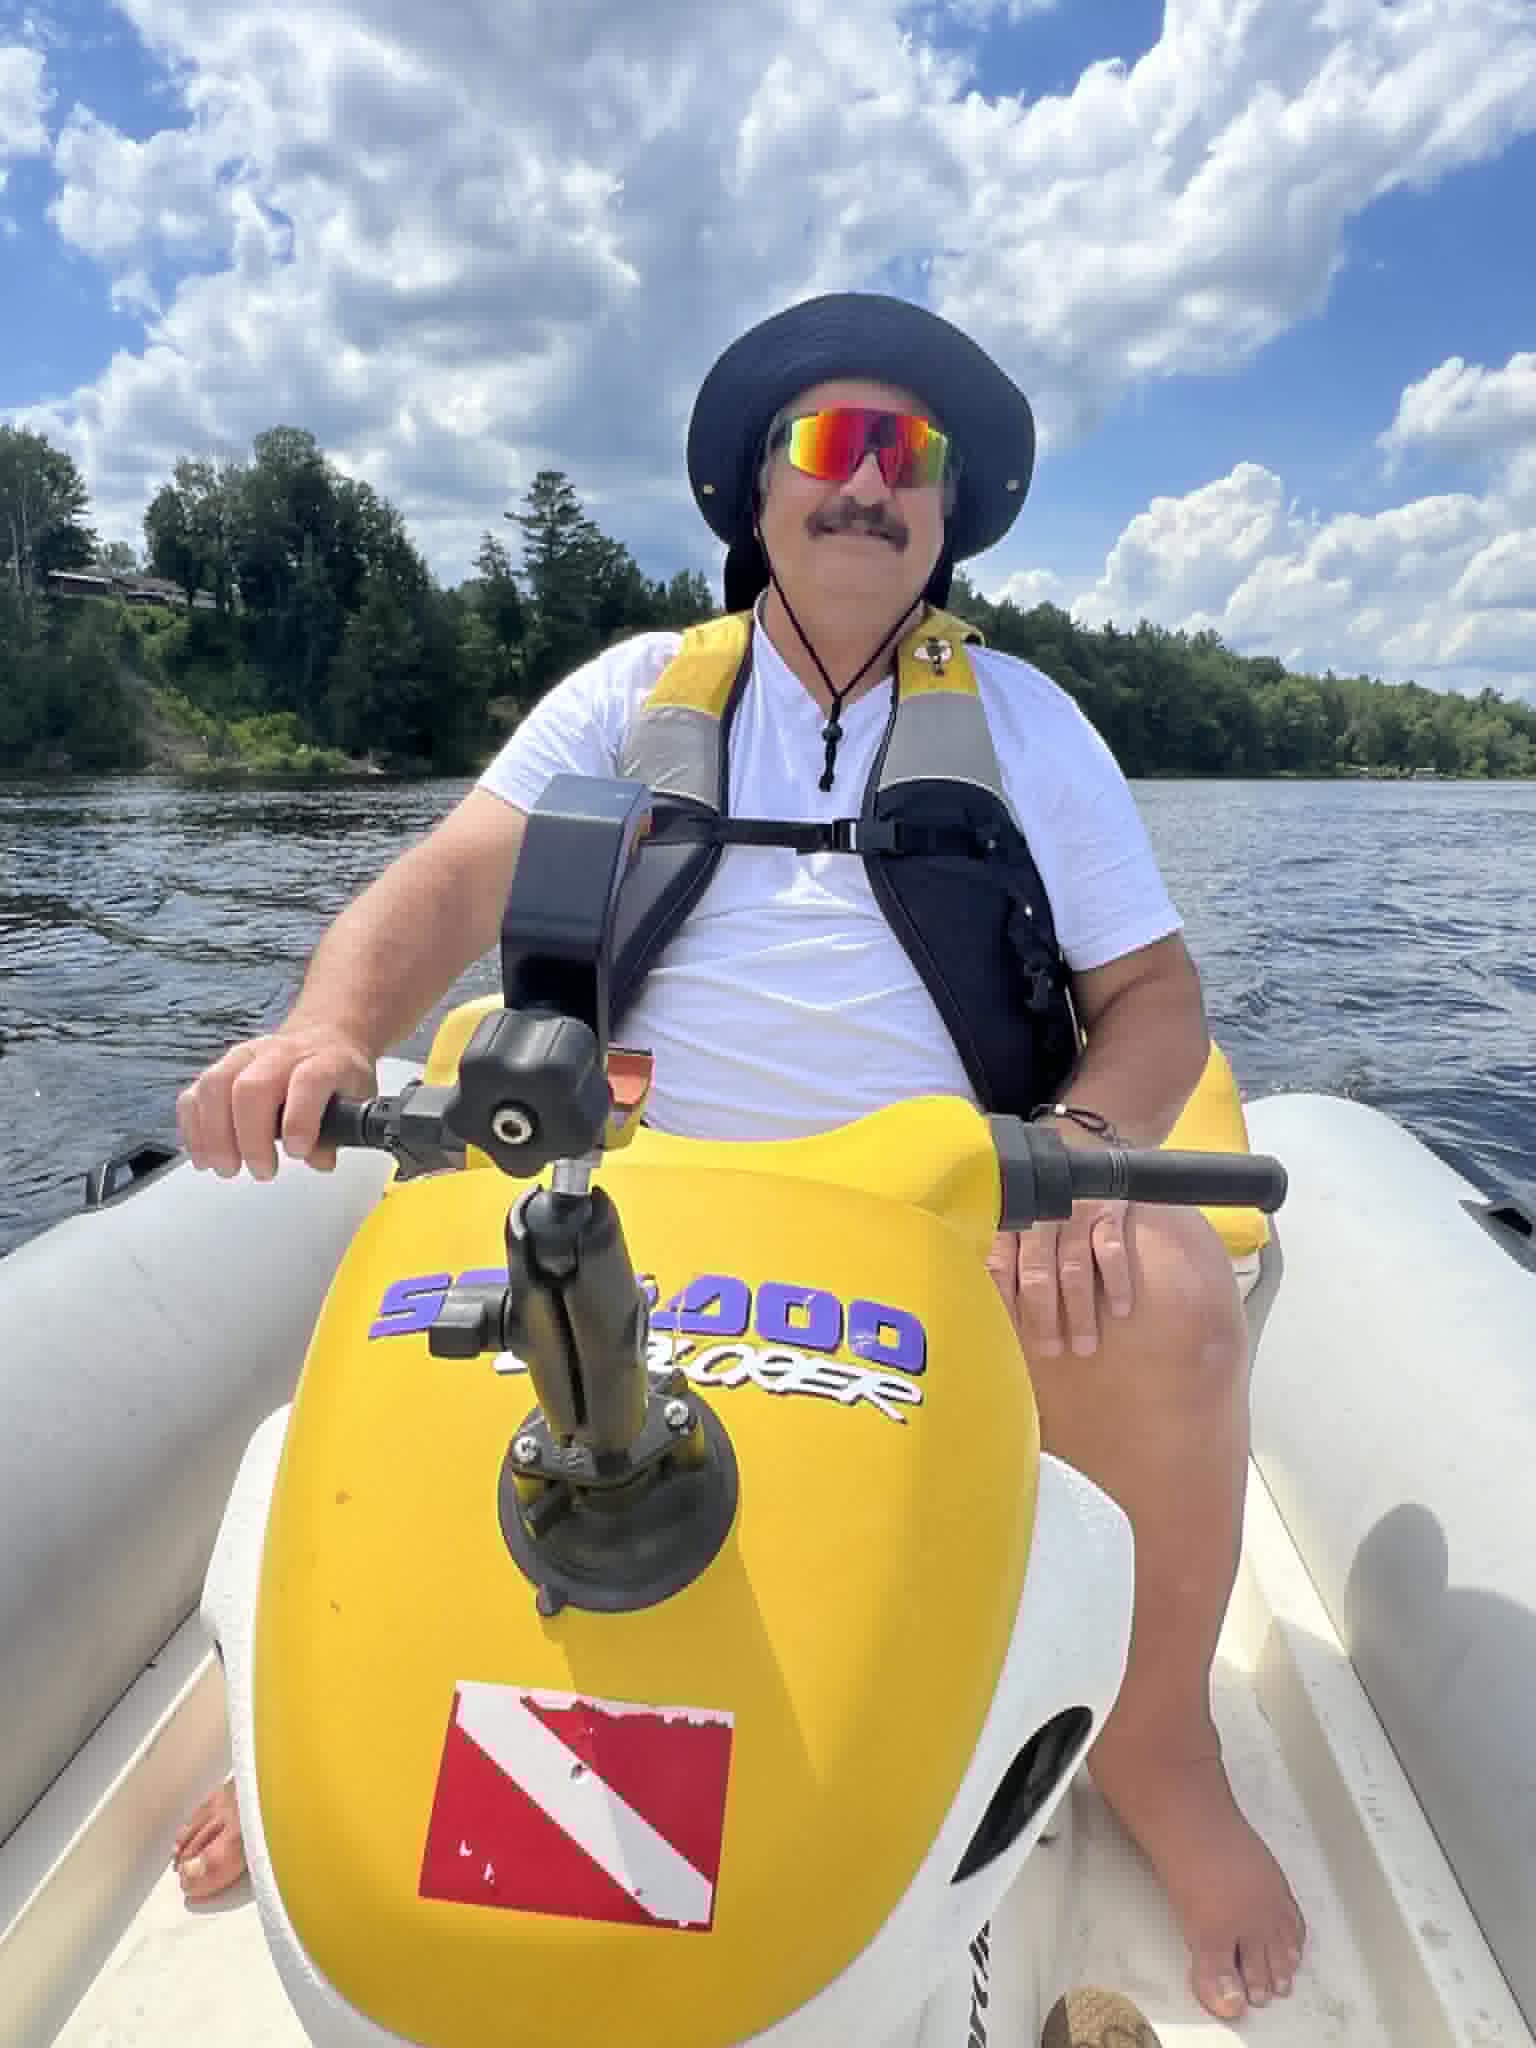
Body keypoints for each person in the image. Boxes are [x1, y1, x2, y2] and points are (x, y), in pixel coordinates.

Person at [172, 292, 1305, 2021]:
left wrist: (1078, 1143)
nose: (868, 482)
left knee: (1167, 1304)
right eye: (828, 443)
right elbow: (448, 883)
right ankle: (335, 1725)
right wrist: (329, 1029)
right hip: (631, 1172)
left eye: (906, 454)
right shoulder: (629, 692)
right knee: (414, 1270)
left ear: (946, 507)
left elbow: (1151, 1000)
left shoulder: (1030, 723)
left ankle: (1159, 1746)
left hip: (939, 1202)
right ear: (757, 489)